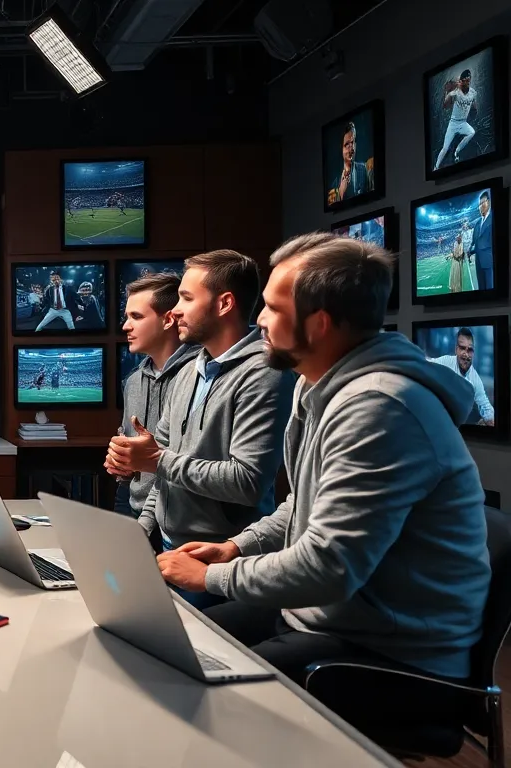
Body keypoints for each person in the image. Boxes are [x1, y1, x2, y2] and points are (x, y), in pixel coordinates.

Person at [158, 232, 490, 725]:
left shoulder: (380, 406)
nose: (261, 321)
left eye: (272, 308)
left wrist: (210, 576)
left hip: (391, 653)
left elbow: (330, 567)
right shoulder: (319, 382)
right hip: (328, 616)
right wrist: (236, 547)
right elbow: (302, 505)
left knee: (185, 693)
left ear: (319, 323)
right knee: (170, 644)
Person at [106, 249, 293, 608]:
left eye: (186, 298)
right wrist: (143, 528)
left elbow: (247, 482)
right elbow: (163, 470)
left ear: (224, 304)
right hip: (168, 551)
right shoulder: (193, 368)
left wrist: (156, 460)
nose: (175, 310)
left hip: (218, 561)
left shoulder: (264, 373)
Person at [111, 272, 199, 518]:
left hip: (182, 517)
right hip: (133, 506)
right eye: (127, 316)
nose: (125, 326)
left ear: (169, 319)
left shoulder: (201, 376)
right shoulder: (133, 381)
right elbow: (130, 460)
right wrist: (121, 462)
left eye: (136, 317)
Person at [427, 327, 495, 426]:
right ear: (456, 349)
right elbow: (426, 363)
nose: (466, 354)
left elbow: (486, 407)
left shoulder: (475, 379)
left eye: (470, 350)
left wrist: (491, 421)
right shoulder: (446, 362)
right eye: (462, 348)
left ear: (474, 352)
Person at [433, 68, 478, 171]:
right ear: (461, 82)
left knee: (471, 132)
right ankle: (436, 167)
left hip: (463, 123)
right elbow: (445, 105)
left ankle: (457, 150)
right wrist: (446, 92)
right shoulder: (455, 93)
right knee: (445, 148)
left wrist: (474, 110)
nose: (465, 83)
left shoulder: (473, 93)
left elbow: (474, 106)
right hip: (453, 124)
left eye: (467, 81)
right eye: (463, 81)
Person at [329, 121, 372, 204]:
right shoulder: (334, 183)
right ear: (340, 148)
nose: (351, 148)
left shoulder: (364, 170)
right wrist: (340, 192)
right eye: (347, 144)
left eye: (352, 142)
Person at [469, 190, 494, 290]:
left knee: (491, 290)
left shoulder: (493, 218)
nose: (480, 207)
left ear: (489, 202)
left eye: (482, 203)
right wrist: (470, 251)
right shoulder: (477, 224)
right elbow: (475, 242)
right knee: (481, 290)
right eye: (479, 204)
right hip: (478, 262)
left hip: (489, 262)